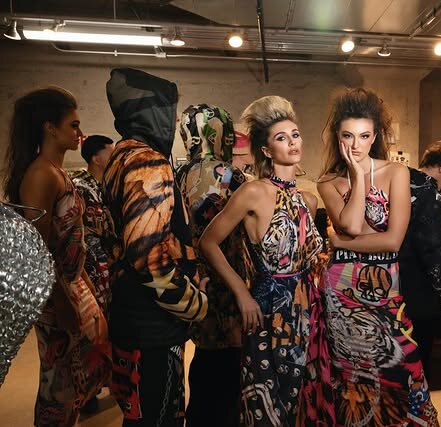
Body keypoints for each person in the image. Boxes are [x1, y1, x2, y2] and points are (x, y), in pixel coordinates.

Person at [307, 87, 439, 426]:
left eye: (364, 136)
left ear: (375, 136)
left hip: (385, 289)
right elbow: (352, 223)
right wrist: (358, 176)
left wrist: (340, 242)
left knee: (404, 364)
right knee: (352, 379)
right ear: (337, 137)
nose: (356, 145)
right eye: (348, 135)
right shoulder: (328, 181)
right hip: (342, 291)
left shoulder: (397, 173)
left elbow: (393, 241)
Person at [198, 95, 323, 426]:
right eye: (282, 137)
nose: (292, 142)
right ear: (267, 150)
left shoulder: (308, 200)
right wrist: (242, 293)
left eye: (295, 134)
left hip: (306, 308)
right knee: (267, 400)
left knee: (303, 397)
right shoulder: (253, 192)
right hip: (268, 307)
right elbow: (208, 242)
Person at [102, 68, 209, 427]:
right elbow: (148, 258)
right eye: (170, 110)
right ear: (152, 112)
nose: (175, 121)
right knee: (160, 416)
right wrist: (195, 304)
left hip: (130, 315)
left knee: (140, 416)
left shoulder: (121, 155)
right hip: (152, 325)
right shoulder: (148, 162)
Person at [2, 87, 110, 426]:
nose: (80, 133)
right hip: (56, 292)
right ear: (50, 127)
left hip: (72, 284)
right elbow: (38, 250)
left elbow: (73, 241)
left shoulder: (57, 171)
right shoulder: (41, 175)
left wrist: (85, 286)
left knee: (77, 378)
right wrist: (63, 302)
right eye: (73, 125)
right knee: (58, 384)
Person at [176, 104, 248, 427]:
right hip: (228, 280)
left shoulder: (178, 175)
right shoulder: (233, 177)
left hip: (193, 281)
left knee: (203, 362)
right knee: (228, 370)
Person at [399, 140, 441, 380]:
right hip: (417, 288)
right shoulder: (427, 190)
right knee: (418, 360)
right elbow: (435, 248)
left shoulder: (397, 180)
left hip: (389, 284)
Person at [71, 135, 116, 315]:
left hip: (106, 265)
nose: (116, 158)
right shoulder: (82, 187)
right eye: (111, 154)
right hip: (92, 267)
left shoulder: (104, 186)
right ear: (96, 159)